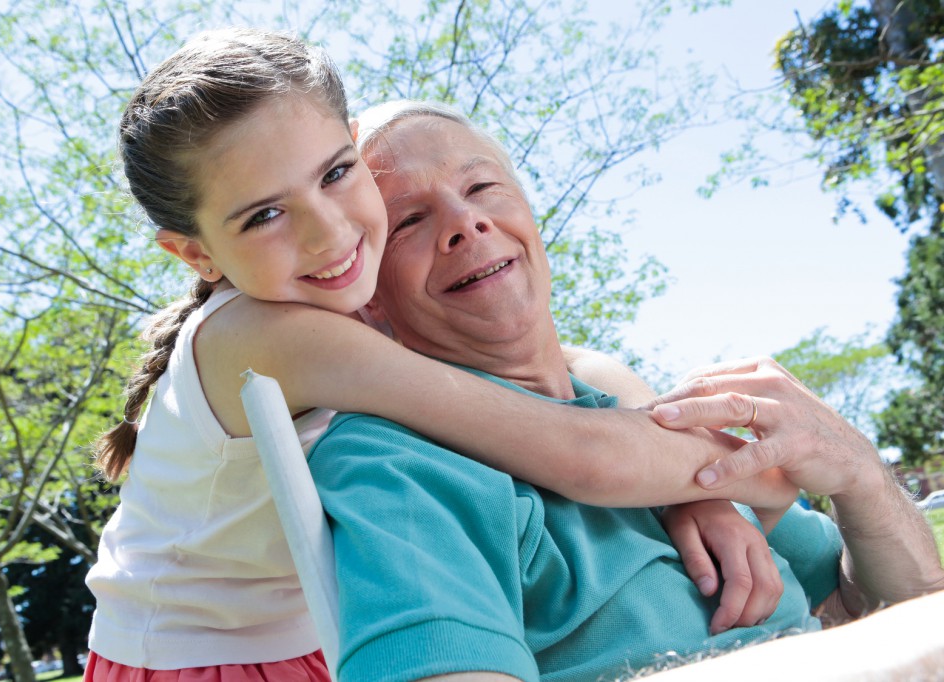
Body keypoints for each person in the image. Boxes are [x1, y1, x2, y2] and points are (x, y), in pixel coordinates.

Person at [84, 28, 797, 682]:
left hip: (331, 620)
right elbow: (582, 451)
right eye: (265, 214)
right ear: (196, 252)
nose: (328, 231)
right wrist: (749, 473)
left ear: (357, 147)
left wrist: (686, 498)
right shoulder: (268, 334)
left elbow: (583, 372)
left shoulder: (350, 302)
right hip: (193, 660)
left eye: (335, 174)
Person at [304, 100, 944, 681]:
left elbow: (874, 602)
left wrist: (859, 474)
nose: (465, 223)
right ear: (367, 303)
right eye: (410, 219)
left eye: (481, 187)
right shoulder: (394, 460)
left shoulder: (662, 432)